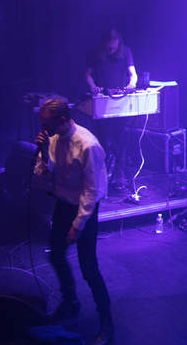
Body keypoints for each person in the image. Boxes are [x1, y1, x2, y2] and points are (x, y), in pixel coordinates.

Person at [34, 99, 113, 345]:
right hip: (63, 205)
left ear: (62, 119)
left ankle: (107, 323)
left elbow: (93, 191)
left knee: (89, 268)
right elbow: (41, 174)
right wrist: (42, 153)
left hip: (84, 211)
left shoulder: (88, 144)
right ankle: (71, 302)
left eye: (46, 123)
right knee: (56, 255)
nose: (43, 128)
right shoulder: (53, 139)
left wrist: (77, 225)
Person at [85, 29, 137, 192]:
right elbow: (87, 74)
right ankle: (103, 176)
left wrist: (132, 84)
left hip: (120, 100)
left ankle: (118, 175)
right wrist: (93, 87)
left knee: (122, 140)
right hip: (102, 100)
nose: (111, 50)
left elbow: (132, 74)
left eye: (114, 48)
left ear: (118, 44)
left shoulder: (126, 51)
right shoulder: (95, 53)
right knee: (104, 141)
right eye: (109, 48)